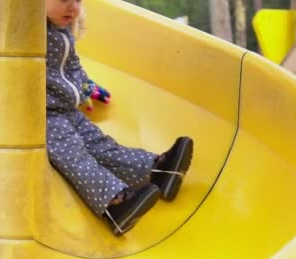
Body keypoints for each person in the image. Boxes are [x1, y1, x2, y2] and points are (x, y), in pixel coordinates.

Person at [45, 0, 194, 236]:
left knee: (102, 145)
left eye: (78, 0)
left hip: (67, 110)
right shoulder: (26, 32)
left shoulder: (62, 33)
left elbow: (73, 67)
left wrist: (87, 88)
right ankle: (114, 206)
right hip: (42, 114)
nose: (72, 7)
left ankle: (156, 171)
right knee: (75, 156)